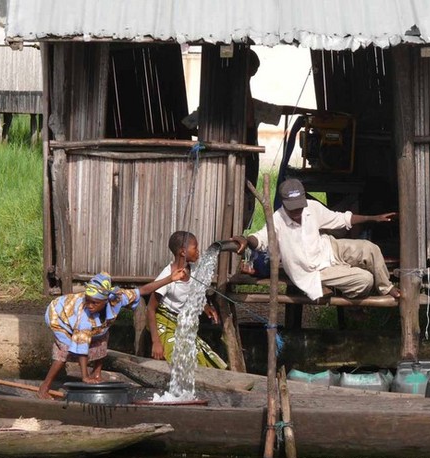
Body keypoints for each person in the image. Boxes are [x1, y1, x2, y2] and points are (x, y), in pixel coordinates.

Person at [182, 49, 316, 228]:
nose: (246, 83)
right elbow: (186, 125)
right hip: (214, 167)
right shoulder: (212, 107)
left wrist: (314, 113)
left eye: (249, 77)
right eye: (245, 77)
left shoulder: (253, 107)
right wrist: (205, 138)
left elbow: (280, 109)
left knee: (242, 204)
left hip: (247, 165)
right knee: (215, 205)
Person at [233, 179, 401, 301]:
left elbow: (341, 219)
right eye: (293, 208)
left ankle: (386, 287)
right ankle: (343, 291)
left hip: (329, 248)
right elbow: (259, 238)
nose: (298, 211)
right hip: (313, 271)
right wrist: (246, 240)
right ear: (284, 204)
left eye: (300, 206)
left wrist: (374, 218)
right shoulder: (277, 220)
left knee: (370, 248)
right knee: (365, 280)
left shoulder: (311, 207)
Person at [37, 268, 187, 399]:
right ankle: (44, 387)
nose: (90, 305)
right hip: (59, 315)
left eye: (94, 303)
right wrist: (84, 377)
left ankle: (97, 373)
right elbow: (81, 348)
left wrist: (170, 279)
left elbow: (143, 290)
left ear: (105, 301)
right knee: (64, 351)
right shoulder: (85, 316)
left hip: (86, 321)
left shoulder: (117, 298)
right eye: (88, 301)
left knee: (101, 336)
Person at [146, 231, 227, 369]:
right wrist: (156, 342)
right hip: (163, 322)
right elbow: (150, 309)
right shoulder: (167, 277)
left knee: (205, 358)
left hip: (180, 323)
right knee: (180, 360)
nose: (198, 251)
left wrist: (206, 307)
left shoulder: (193, 269)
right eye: (195, 248)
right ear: (183, 252)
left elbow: (195, 293)